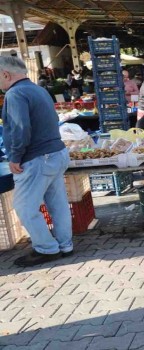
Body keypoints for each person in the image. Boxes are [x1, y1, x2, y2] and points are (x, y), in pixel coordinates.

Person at [0, 56, 73, 267]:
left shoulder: (15, 94)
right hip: (56, 153)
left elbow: (21, 128)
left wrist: (15, 156)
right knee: (57, 203)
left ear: (6, 74)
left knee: (24, 206)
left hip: (37, 157)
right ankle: (64, 245)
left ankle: (46, 249)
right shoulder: (38, 90)